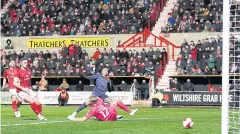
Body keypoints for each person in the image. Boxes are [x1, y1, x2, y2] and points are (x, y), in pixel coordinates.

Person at [68, 68, 138, 119]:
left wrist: (110, 85)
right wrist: (83, 76)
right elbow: (90, 78)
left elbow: (110, 90)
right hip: (96, 93)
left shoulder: (107, 80)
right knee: (87, 103)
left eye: (107, 70)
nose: (106, 71)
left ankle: (130, 112)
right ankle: (74, 114)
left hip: (103, 94)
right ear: (102, 71)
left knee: (113, 102)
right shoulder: (98, 75)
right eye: (105, 70)